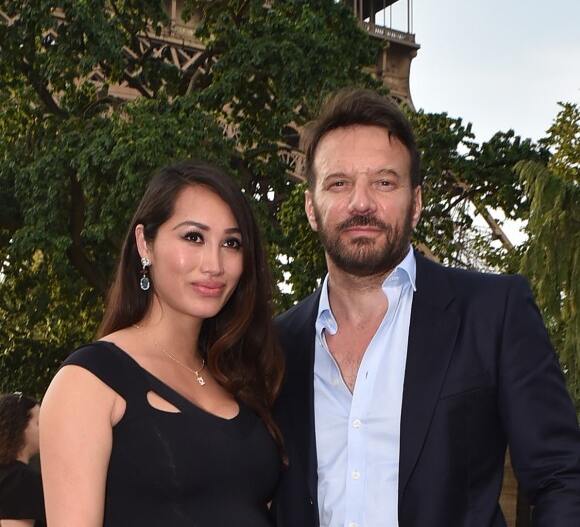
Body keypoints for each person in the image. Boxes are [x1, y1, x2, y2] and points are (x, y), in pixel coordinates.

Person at [271, 88, 580, 527]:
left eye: (384, 182)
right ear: (311, 208)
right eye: (339, 183)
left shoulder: (493, 312)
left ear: (415, 203)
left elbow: (560, 478)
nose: (361, 203)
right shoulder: (275, 345)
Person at [40, 159, 285, 527]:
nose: (214, 264)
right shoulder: (87, 382)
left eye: (231, 243)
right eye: (193, 237)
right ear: (145, 244)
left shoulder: (238, 373)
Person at [0, 392, 46, 527]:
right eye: (38, 423)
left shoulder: (7, 474)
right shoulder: (21, 479)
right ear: (22, 427)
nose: (44, 428)